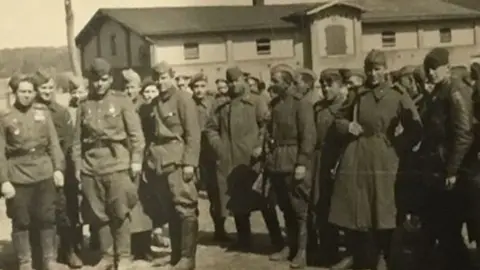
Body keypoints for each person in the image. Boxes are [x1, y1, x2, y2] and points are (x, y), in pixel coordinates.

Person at [329, 50, 422, 270]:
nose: (372, 73)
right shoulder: (358, 94)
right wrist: (347, 126)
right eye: (369, 69)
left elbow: (416, 129)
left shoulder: (398, 94)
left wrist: (397, 146)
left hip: (385, 158)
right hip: (358, 155)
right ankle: (358, 254)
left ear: (385, 69)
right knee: (357, 206)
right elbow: (338, 118)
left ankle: (384, 255)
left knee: (384, 209)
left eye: (377, 69)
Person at [71, 58, 145, 269]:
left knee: (120, 211)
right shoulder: (83, 105)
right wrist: (77, 167)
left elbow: (136, 136)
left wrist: (136, 161)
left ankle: (123, 256)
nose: (99, 84)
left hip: (117, 163)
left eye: (104, 79)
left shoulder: (123, 101)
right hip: (91, 165)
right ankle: (107, 255)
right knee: (97, 214)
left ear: (111, 79)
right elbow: (77, 141)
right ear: (89, 81)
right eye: (95, 80)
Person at [0, 74, 65, 270]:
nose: (27, 95)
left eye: (30, 91)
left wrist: (58, 168)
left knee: (47, 218)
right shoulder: (5, 117)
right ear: (14, 93)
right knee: (21, 221)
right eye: (23, 92)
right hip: (18, 175)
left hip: (44, 172)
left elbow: (53, 143)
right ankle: (25, 262)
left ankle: (49, 260)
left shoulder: (43, 112)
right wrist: (4, 181)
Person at [417, 48, 474, 270]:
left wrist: (452, 170)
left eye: (434, 68)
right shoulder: (437, 93)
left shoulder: (455, 91)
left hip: (452, 172)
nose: (430, 72)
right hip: (436, 170)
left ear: (446, 68)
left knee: (449, 229)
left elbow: (464, 134)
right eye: (427, 68)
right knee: (438, 227)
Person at [144, 61, 200, 270]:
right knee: (170, 209)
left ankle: (188, 258)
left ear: (172, 77)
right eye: (157, 78)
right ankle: (176, 254)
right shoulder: (155, 103)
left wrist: (190, 163)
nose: (160, 82)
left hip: (178, 161)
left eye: (164, 77)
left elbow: (193, 134)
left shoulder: (184, 100)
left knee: (185, 208)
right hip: (160, 162)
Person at [31, 70, 83, 268]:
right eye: (43, 88)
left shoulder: (60, 112)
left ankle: (69, 251)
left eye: (50, 88)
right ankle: (43, 255)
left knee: (67, 211)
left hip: (61, 169)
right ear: (36, 89)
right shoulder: (31, 111)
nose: (47, 91)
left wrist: (66, 170)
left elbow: (69, 143)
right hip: (39, 170)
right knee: (40, 213)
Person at [267, 64, 316, 269]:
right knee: (285, 207)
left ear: (287, 82)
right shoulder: (275, 104)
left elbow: (309, 135)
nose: (272, 84)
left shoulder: (301, 103)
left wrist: (302, 163)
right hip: (278, 161)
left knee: (299, 209)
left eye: (276, 81)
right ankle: (291, 246)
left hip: (294, 159)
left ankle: (303, 251)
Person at [311, 69, 352, 269]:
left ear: (339, 86)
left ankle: (349, 254)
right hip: (320, 161)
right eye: (323, 84)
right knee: (321, 206)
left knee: (342, 208)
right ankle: (328, 251)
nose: (326, 88)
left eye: (330, 84)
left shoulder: (346, 107)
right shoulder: (317, 108)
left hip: (339, 161)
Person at [190, 73, 230, 242]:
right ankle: (192, 233)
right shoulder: (188, 104)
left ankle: (219, 230)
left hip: (211, 155)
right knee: (192, 194)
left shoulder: (214, 103)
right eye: (196, 87)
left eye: (202, 86)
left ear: (206, 87)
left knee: (216, 194)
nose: (199, 90)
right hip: (194, 155)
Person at [121, 69, 155, 261]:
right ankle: (133, 247)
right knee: (130, 204)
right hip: (127, 160)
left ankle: (146, 246)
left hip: (145, 160)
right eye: (126, 87)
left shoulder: (145, 108)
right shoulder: (121, 106)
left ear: (139, 88)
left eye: (132, 87)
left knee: (146, 203)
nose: (129, 91)